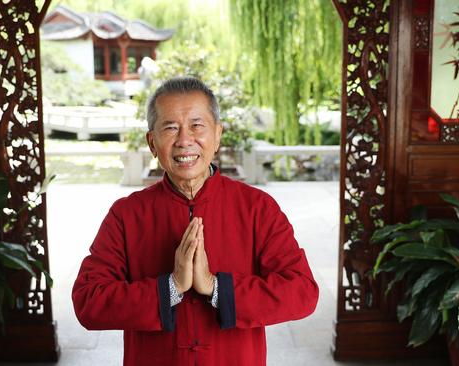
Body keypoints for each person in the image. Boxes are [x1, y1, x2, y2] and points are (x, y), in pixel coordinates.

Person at [72, 77, 319, 366]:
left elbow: (302, 292)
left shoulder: (258, 208)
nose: (185, 140)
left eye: (197, 125)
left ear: (217, 135)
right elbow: (88, 300)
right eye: (170, 127)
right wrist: (171, 286)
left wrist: (217, 288)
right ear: (152, 143)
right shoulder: (126, 214)